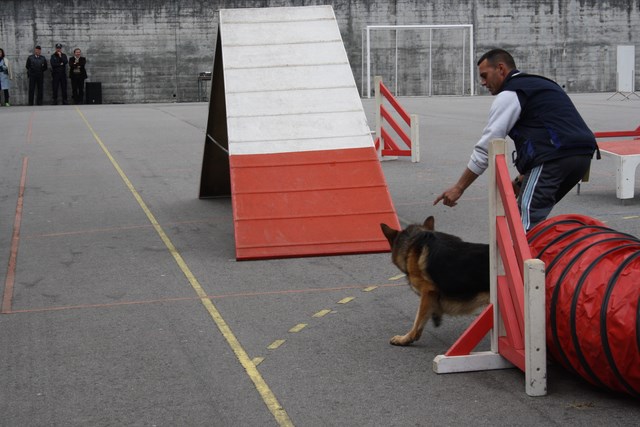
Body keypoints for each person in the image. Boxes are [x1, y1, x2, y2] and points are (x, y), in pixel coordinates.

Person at [434, 49, 597, 231]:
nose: (483, 82)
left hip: (553, 158)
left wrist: (459, 188)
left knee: (524, 225)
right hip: (583, 155)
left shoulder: (511, 93)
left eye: (485, 76)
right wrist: (521, 181)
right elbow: (547, 129)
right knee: (535, 215)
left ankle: (527, 258)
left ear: (501, 69)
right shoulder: (540, 84)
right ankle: (547, 254)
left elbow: (487, 147)